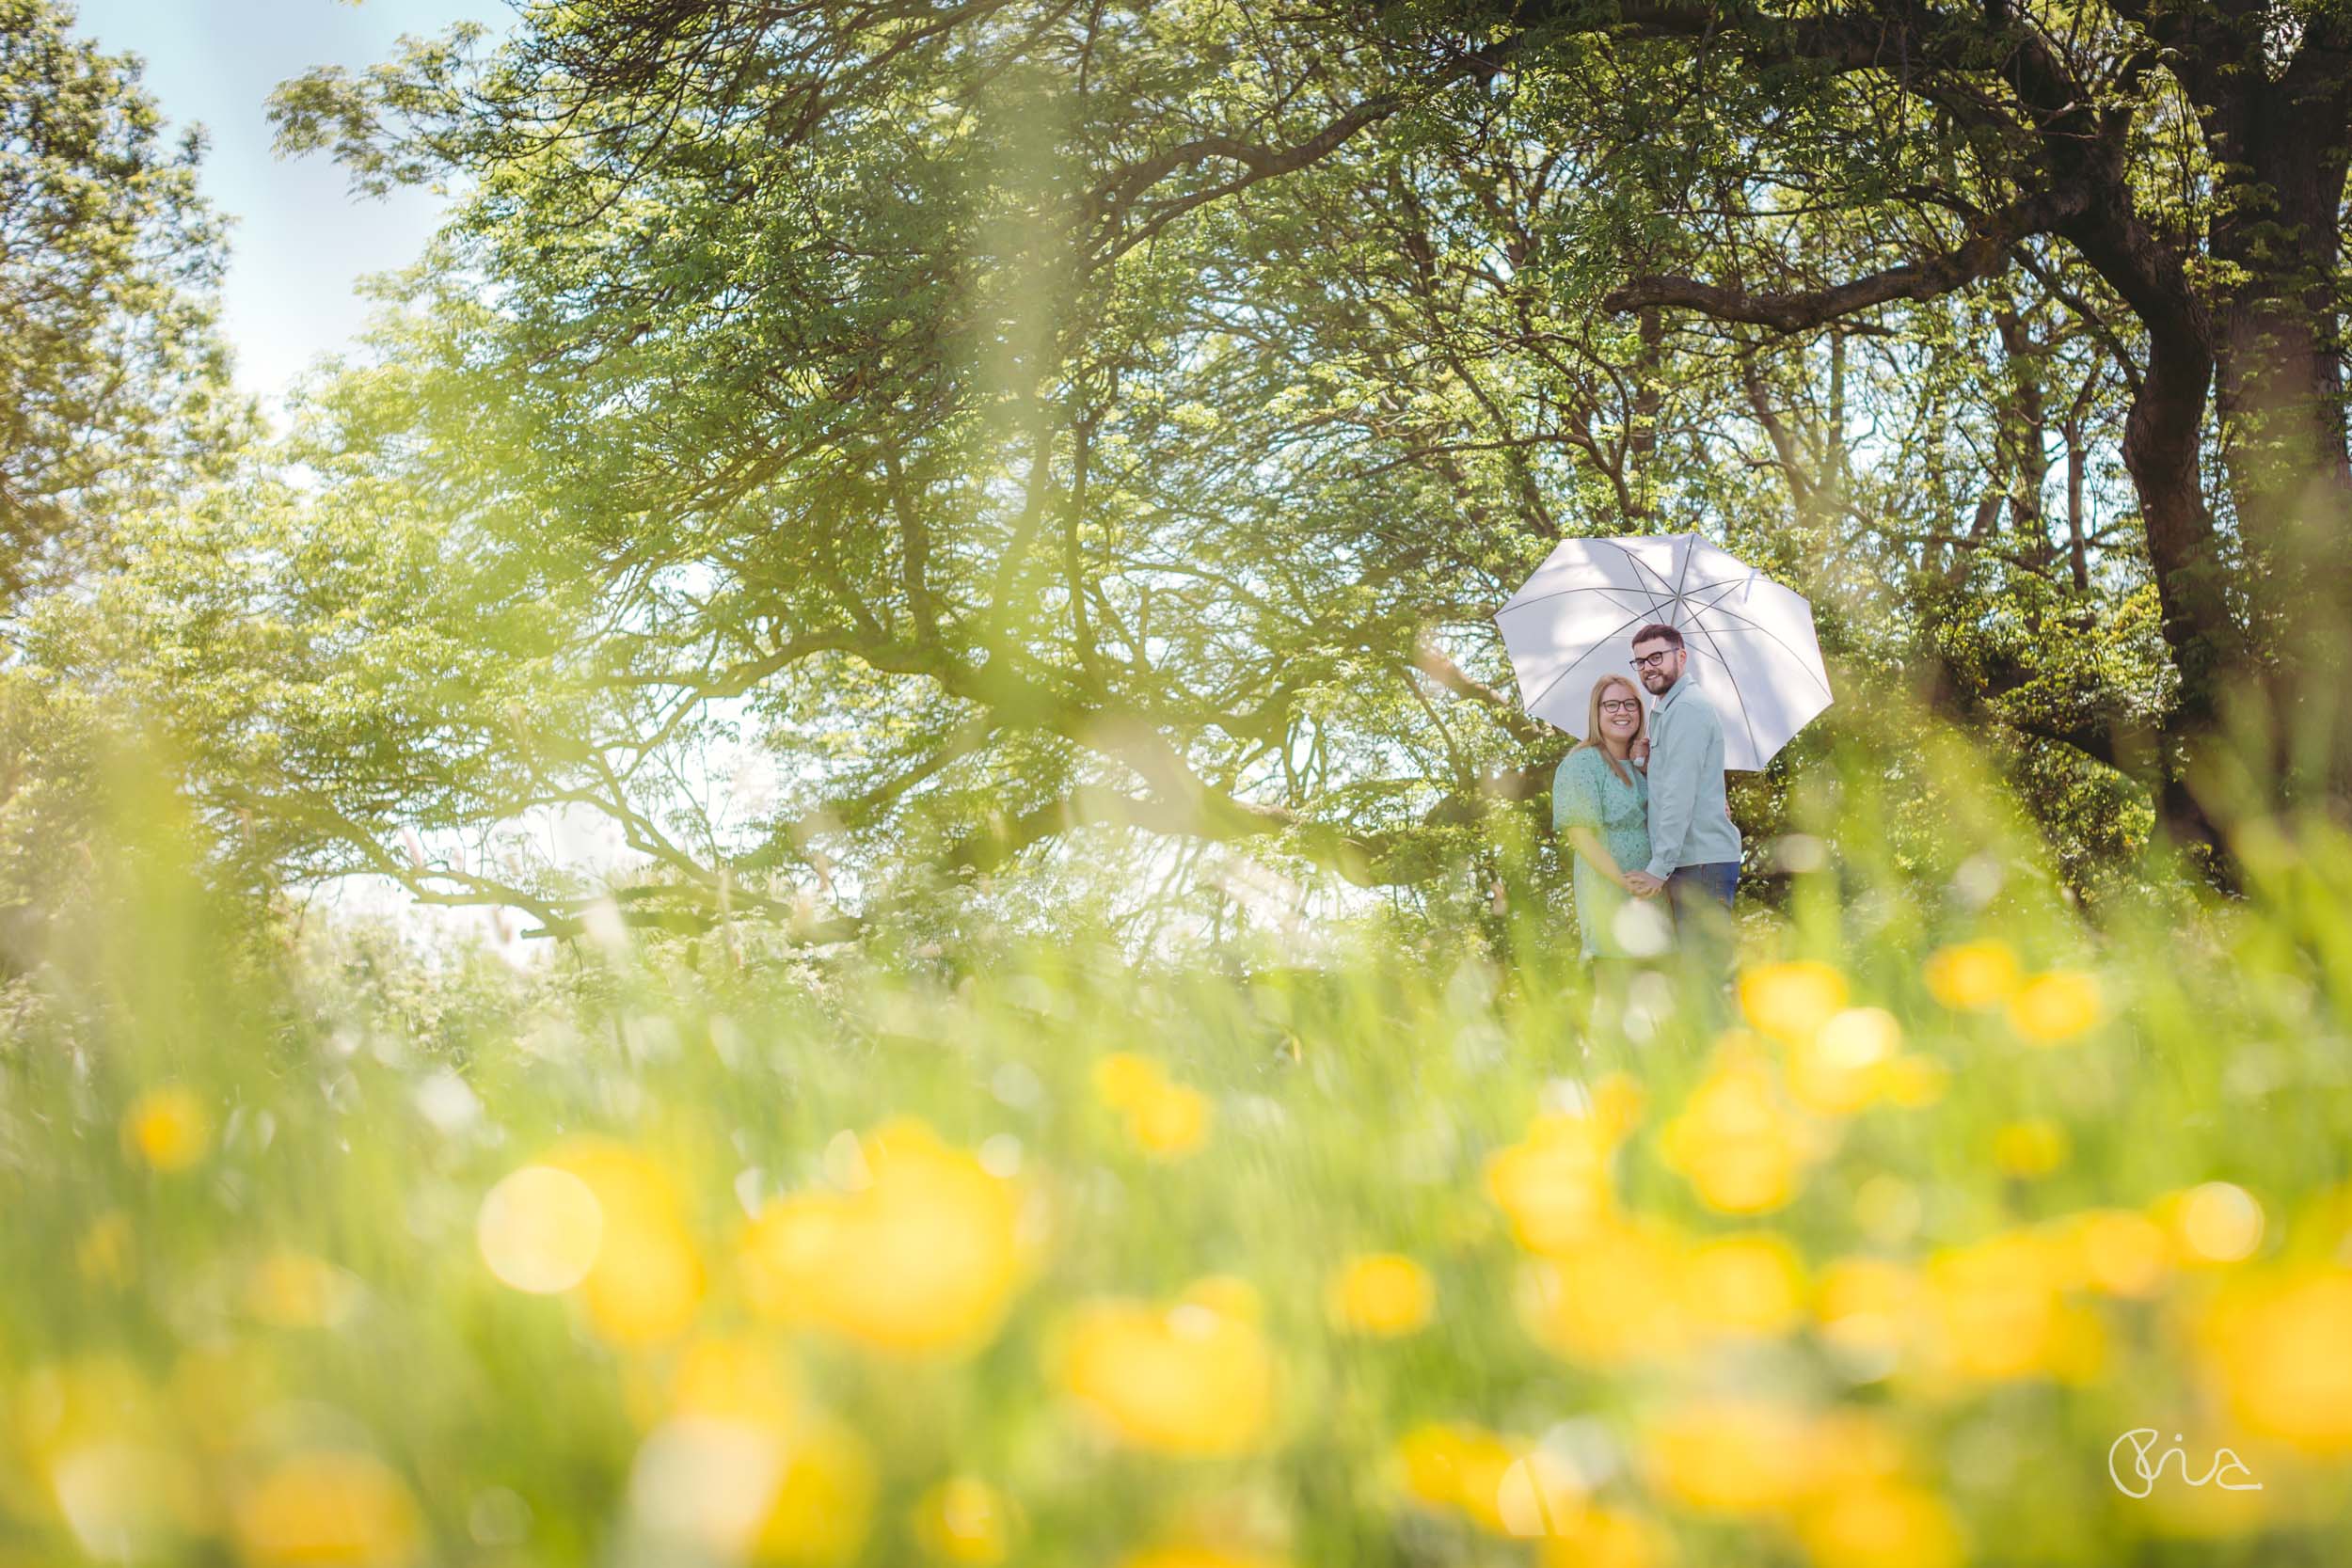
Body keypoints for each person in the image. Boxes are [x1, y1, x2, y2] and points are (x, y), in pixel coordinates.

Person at [1620, 623, 1741, 976]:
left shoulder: (1686, 709)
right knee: (1695, 980)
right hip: (1691, 863)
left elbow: (1678, 795)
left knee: (1706, 980)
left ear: (1681, 656)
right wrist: (1642, 761)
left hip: (1699, 864)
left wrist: (1659, 868)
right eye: (1640, 662)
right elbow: (1669, 782)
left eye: (1656, 656)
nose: (1647, 667)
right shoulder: (1667, 712)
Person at [1552, 674, 1661, 982]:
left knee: (1658, 999)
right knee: (1617, 996)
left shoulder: (1647, 764)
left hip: (1656, 892)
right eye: (1611, 704)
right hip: (1610, 891)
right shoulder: (1581, 764)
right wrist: (1626, 883)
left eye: (1630, 704)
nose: (1622, 712)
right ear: (1596, 712)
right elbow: (1581, 837)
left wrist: (1712, 805)